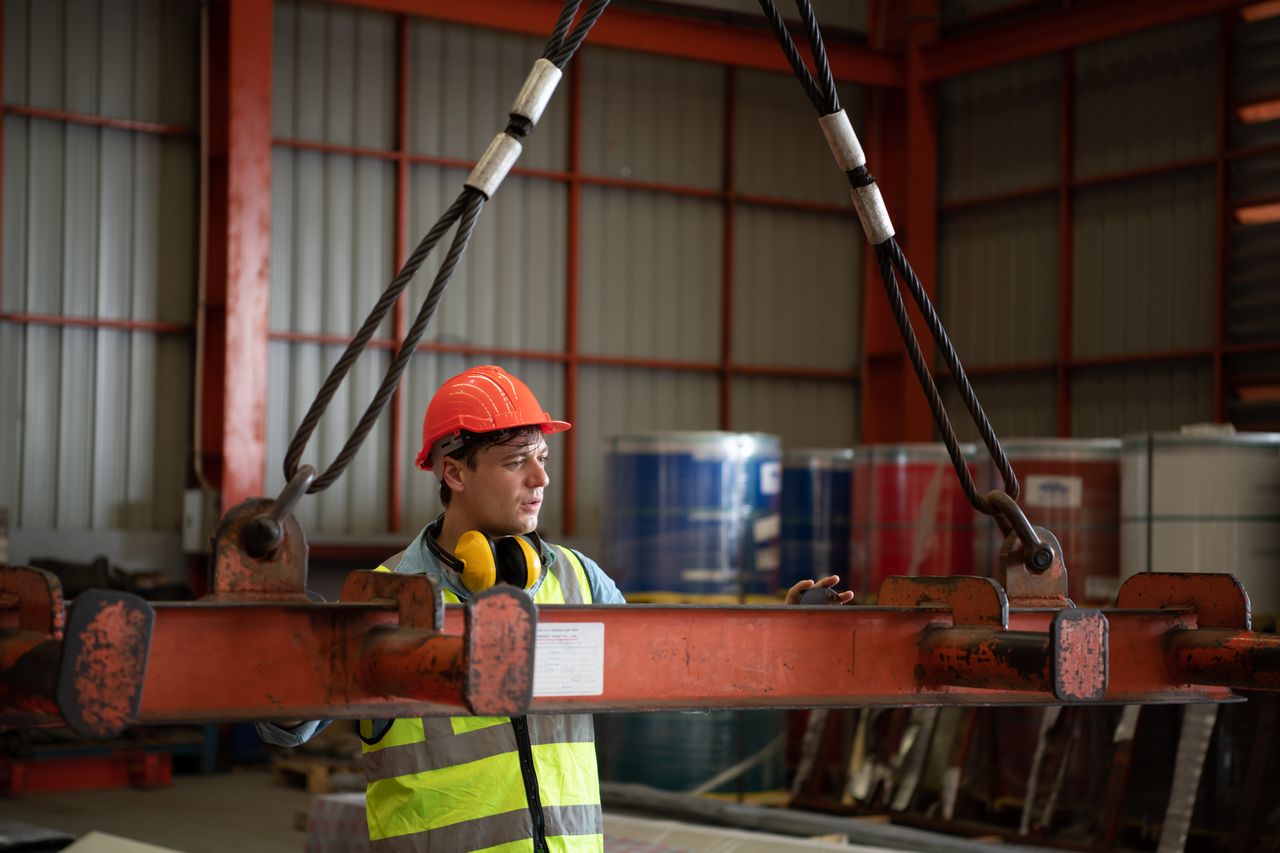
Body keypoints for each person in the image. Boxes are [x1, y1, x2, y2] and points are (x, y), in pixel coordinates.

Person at [259, 364, 851, 852]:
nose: (541, 477)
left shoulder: (576, 580)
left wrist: (783, 633)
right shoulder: (385, 595)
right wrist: (285, 655)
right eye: (517, 461)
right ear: (454, 471)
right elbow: (287, 727)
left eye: (543, 457)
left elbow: (681, 674)